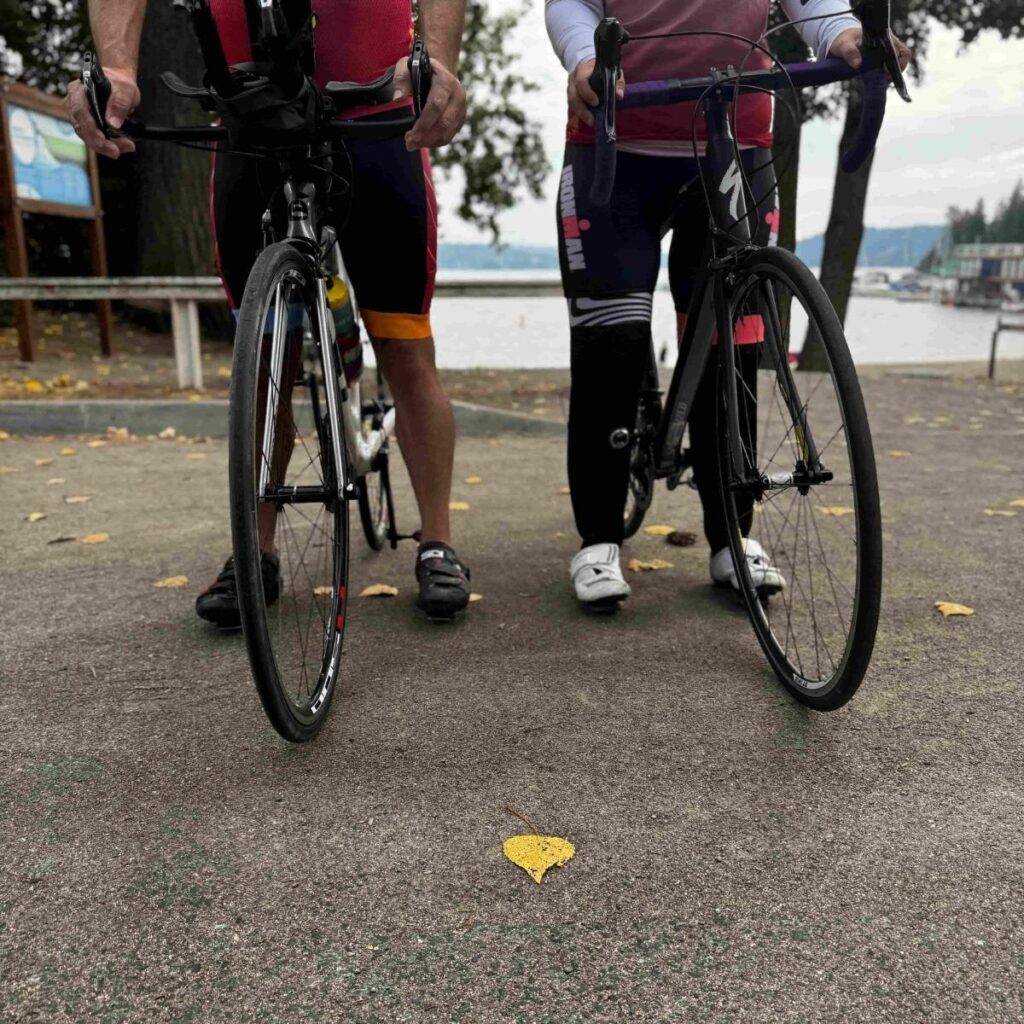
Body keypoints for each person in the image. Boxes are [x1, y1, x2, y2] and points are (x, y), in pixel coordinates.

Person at [67, 0, 473, 623]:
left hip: (378, 111)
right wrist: (116, 69)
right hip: (248, 115)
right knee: (263, 357)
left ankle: (437, 540)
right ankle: (255, 551)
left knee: (404, 346)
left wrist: (437, 59)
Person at [545, 0, 911, 610]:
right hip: (617, 142)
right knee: (611, 341)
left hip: (734, 141)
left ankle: (732, 538)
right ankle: (599, 539)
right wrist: (585, 57)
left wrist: (844, 32)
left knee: (733, 343)